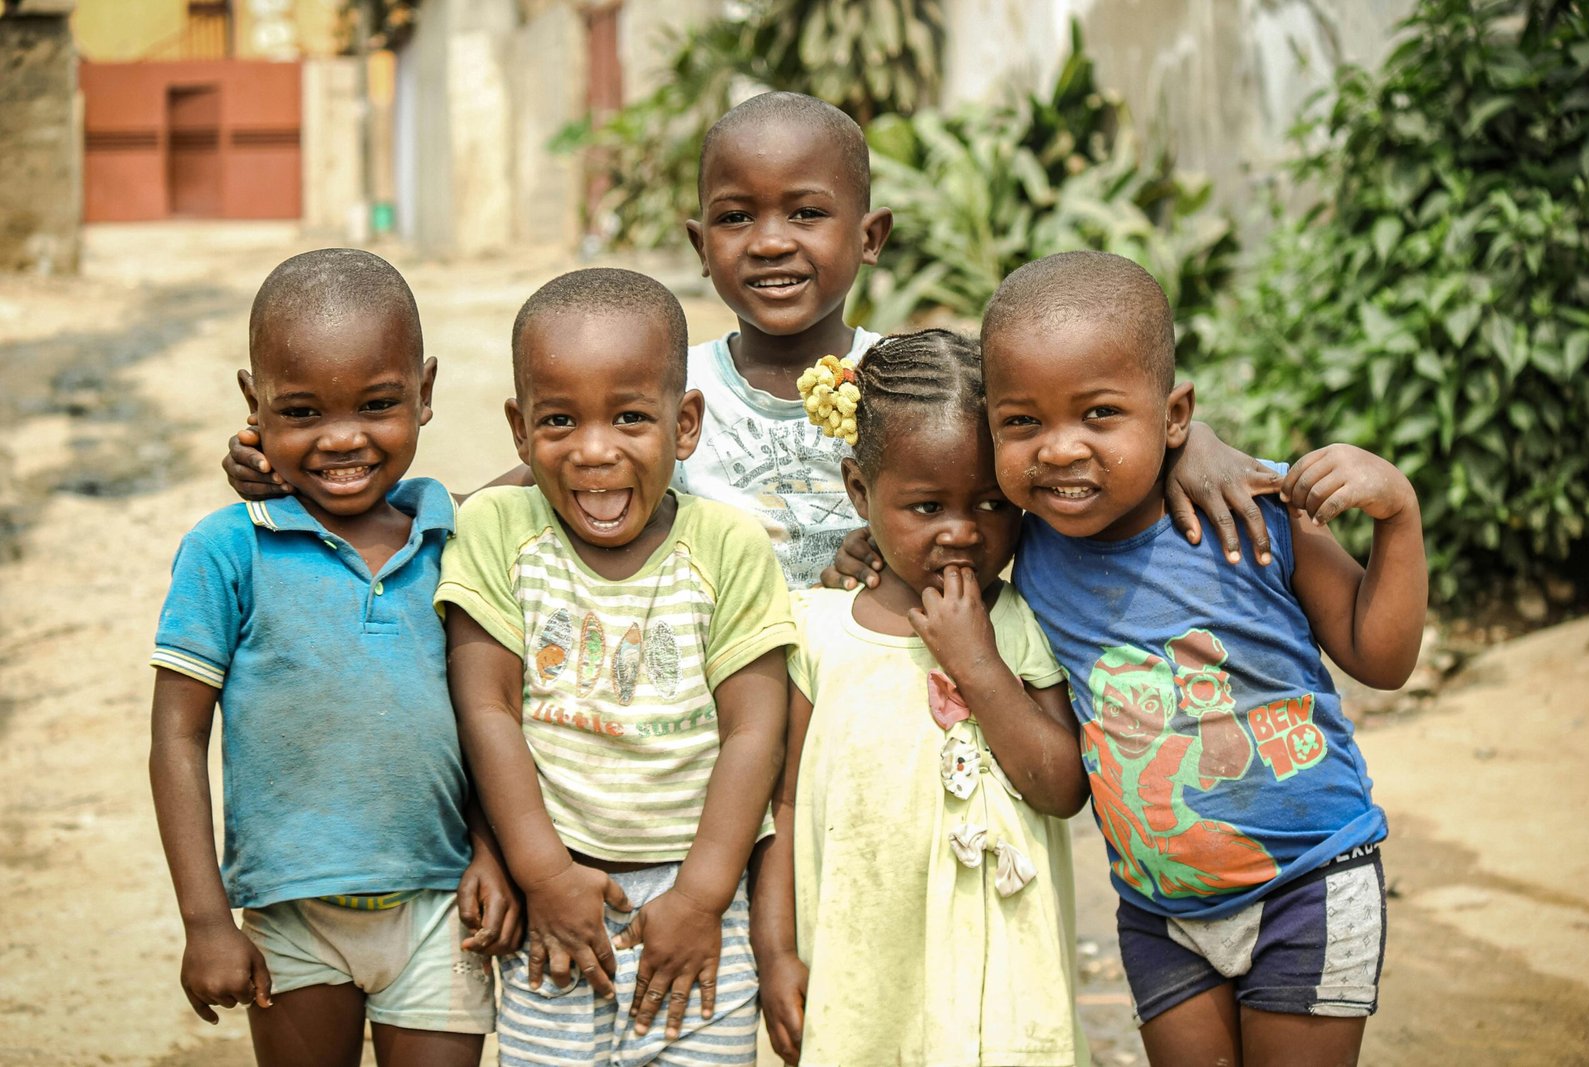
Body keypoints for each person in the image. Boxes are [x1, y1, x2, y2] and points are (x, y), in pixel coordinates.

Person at [222, 92, 1275, 587]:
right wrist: (317, 477)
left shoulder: (915, 380)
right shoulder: (658, 393)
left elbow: (1069, 414)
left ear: (871, 237)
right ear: (698, 240)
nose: (769, 243)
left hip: (888, 700)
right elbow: (518, 485)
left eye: (805, 214)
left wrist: (1200, 443)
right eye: (736, 217)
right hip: (721, 716)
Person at [983, 251, 1428, 1067]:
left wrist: (1397, 512)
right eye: (1022, 422)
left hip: (1310, 881)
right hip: (1158, 907)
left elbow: (1382, 654)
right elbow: (929, 497)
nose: (1058, 449)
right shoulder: (1027, 545)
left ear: (1176, 414)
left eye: (1100, 413)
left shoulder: (1251, 515)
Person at [148, 249, 521, 1067]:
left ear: (425, 393)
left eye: (379, 404)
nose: (343, 438)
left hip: (441, 904)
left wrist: (495, 853)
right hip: (291, 915)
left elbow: (560, 465)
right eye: (303, 411)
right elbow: (177, 737)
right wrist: (206, 918)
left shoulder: (457, 534)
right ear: (254, 404)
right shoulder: (226, 550)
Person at [435, 267, 795, 1066]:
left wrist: (700, 896)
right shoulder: (497, 528)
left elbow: (753, 731)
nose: (596, 451)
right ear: (519, 430)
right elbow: (485, 708)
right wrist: (543, 874)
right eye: (559, 420)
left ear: (686, 421)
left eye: (631, 417)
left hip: (704, 902)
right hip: (556, 896)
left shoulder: (728, 546)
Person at [752, 329, 1091, 1066]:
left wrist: (977, 661)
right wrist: (775, 950)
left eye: (993, 503)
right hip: (862, 968)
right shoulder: (818, 632)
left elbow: (1063, 786)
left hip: (1000, 981)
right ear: (859, 490)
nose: (962, 531)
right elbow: (781, 803)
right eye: (927, 504)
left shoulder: (1020, 624)